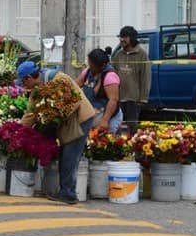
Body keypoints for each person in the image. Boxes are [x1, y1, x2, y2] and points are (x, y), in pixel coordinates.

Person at [17, 61, 95, 204]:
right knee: (65, 154)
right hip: (67, 123)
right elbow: (30, 114)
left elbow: (74, 101)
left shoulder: (59, 79)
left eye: (23, 82)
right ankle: (66, 190)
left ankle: (68, 193)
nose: (23, 86)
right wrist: (18, 132)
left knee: (70, 155)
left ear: (29, 78)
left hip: (80, 119)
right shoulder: (37, 90)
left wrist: (53, 114)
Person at [111, 26, 151, 135]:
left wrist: (143, 98)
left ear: (132, 38)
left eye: (125, 37)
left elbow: (145, 77)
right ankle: (118, 148)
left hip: (134, 99)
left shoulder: (142, 54)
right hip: (119, 98)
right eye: (121, 37)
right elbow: (112, 75)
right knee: (117, 125)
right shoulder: (118, 54)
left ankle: (132, 148)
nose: (122, 40)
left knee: (132, 127)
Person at [76, 49, 123, 134]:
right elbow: (75, 86)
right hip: (93, 115)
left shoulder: (110, 76)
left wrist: (105, 120)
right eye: (89, 64)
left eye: (92, 65)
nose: (90, 67)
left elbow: (113, 100)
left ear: (101, 66)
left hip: (108, 117)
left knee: (105, 143)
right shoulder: (87, 72)